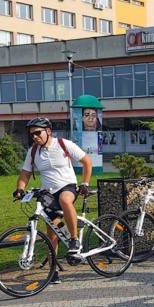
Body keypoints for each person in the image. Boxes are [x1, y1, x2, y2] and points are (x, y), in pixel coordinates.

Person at [13, 118, 92, 283]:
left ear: (48, 131)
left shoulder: (64, 144)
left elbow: (86, 162)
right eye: (31, 134)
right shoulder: (34, 151)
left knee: (65, 199)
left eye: (37, 133)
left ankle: (74, 240)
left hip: (68, 187)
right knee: (52, 236)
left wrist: (85, 183)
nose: (34, 136)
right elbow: (25, 173)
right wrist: (20, 188)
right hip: (48, 194)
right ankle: (53, 272)